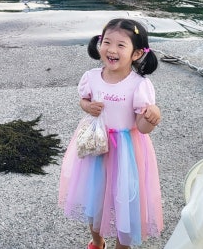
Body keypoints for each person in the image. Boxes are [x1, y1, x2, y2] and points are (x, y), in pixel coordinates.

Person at [59, 18, 163, 249]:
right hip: (96, 146)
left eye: (120, 45)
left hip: (126, 153)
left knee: (127, 203)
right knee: (95, 200)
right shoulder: (92, 77)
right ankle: (97, 241)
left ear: (137, 53)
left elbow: (142, 128)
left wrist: (151, 117)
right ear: (99, 43)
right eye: (107, 42)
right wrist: (87, 106)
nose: (112, 50)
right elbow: (84, 100)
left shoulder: (139, 85)